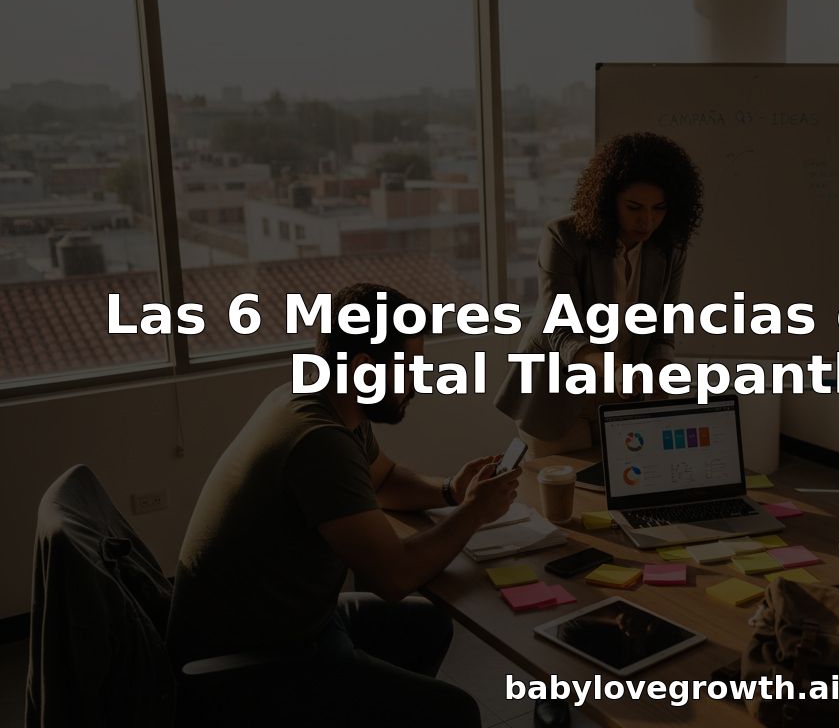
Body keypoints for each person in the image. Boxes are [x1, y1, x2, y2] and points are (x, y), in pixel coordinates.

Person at [167, 282, 521, 726]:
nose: (417, 382)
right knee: (456, 713)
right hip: (246, 663)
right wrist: (474, 512)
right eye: (408, 367)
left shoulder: (325, 401)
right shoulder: (318, 441)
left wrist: (452, 489)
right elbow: (394, 577)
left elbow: (383, 479)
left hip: (293, 623)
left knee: (428, 627)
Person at [495, 132, 704, 457]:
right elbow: (563, 333)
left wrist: (659, 378)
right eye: (634, 207)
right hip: (555, 391)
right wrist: (619, 370)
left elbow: (662, 331)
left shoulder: (671, 247)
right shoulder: (563, 237)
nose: (647, 220)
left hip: (623, 394)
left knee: (625, 480)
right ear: (608, 200)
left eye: (659, 208)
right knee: (564, 487)